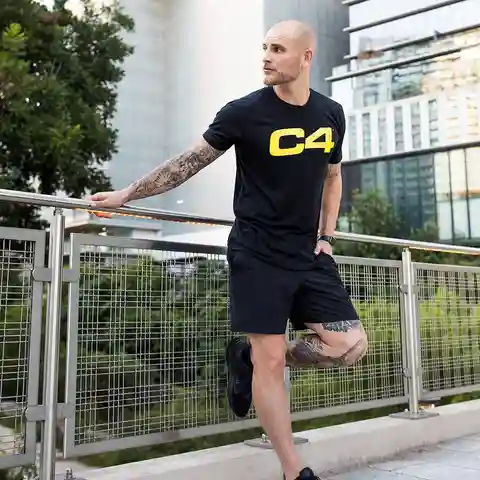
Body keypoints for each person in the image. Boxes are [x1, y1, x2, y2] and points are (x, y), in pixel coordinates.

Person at [89, 20, 368, 480]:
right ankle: (293, 470)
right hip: (256, 254)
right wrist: (127, 195)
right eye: (265, 47)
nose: (266, 56)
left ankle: (246, 357)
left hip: (307, 254)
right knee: (271, 361)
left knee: (349, 346)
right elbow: (187, 163)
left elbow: (333, 176)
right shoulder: (244, 113)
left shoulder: (330, 113)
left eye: (278, 49)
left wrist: (327, 237)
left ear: (306, 57)